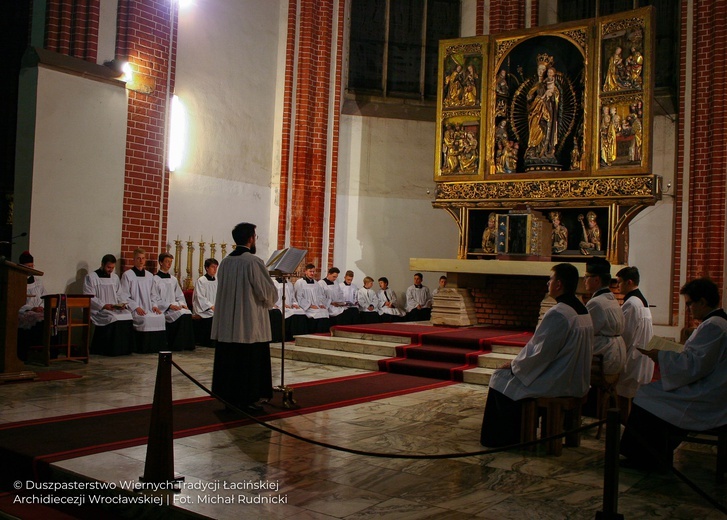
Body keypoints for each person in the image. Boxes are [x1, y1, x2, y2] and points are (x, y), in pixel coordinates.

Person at [480, 263, 593, 447]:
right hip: (577, 379)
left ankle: (505, 438)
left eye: (551, 279)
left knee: (499, 379)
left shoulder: (559, 313)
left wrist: (514, 366)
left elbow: (540, 353)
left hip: (559, 381)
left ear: (559, 284)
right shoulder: (583, 310)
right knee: (507, 377)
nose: (548, 283)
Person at [620, 278, 727, 471]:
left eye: (689, 304)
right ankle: (655, 455)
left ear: (702, 302)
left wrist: (660, 355)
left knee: (647, 396)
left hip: (708, 395)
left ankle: (647, 459)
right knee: (650, 393)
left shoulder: (714, 326)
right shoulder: (717, 323)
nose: (688, 309)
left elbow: (695, 365)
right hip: (711, 388)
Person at [211, 222, 278, 412]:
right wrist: (272, 297)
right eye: (255, 236)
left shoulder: (225, 262)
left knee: (231, 361)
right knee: (248, 362)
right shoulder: (252, 261)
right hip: (249, 324)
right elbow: (266, 292)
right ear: (250, 238)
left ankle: (229, 398)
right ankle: (248, 399)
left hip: (228, 324)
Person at [614, 266, 654, 417]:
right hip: (641, 357)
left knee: (624, 398)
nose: (618, 286)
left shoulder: (631, 303)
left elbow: (625, 334)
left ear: (629, 282)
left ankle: (623, 427)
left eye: (619, 282)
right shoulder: (642, 301)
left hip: (632, 358)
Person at [82, 254, 134, 356]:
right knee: (113, 317)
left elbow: (119, 293)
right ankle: (109, 349)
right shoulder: (91, 277)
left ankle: (123, 350)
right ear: (102, 264)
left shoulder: (114, 278)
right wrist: (103, 305)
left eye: (112, 268)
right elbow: (89, 296)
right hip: (99, 310)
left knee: (128, 315)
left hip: (114, 307)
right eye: (108, 267)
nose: (110, 270)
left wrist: (122, 304)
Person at [119, 248, 167, 353]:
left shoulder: (150, 276)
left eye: (143, 258)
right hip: (136, 309)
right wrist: (136, 307)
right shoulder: (127, 275)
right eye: (138, 258)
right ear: (134, 260)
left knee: (161, 317)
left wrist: (154, 306)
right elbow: (124, 295)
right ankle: (143, 348)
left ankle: (156, 347)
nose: (141, 261)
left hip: (149, 307)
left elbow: (153, 294)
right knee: (145, 319)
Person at [584, 258, 626, 376]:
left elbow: (587, 331)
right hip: (616, 353)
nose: (584, 280)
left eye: (587, 277)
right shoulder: (610, 298)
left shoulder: (596, 302)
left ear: (596, 280)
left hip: (605, 356)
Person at [152, 252, 195, 351]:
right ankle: (176, 345)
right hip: (165, 309)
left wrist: (182, 304)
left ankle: (186, 345)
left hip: (175, 306)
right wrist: (169, 306)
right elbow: (154, 297)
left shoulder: (173, 279)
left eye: (170, 262)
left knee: (187, 312)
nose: (169, 264)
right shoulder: (155, 279)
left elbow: (179, 295)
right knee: (181, 314)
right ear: (161, 262)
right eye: (167, 261)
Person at [525, 62, 560, 160]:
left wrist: (551, 96)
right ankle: (534, 150)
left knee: (545, 128)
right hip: (535, 111)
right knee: (535, 128)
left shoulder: (548, 84)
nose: (541, 72)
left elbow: (555, 97)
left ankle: (544, 150)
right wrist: (531, 98)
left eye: (543, 70)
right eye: (539, 69)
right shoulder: (536, 84)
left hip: (546, 110)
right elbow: (529, 98)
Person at [17, 251, 46, 361]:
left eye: (32, 266)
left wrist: (41, 307)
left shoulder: (38, 281)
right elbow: (17, 302)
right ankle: (30, 351)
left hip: (39, 309)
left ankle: (44, 351)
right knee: (36, 319)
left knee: (50, 318)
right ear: (21, 266)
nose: (31, 268)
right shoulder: (17, 281)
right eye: (28, 266)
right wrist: (32, 308)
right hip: (24, 311)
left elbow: (44, 296)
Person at [294, 263, 330, 333]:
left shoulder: (316, 283)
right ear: (305, 271)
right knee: (317, 313)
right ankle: (314, 332)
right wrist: (310, 305)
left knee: (324, 311)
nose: (312, 273)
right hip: (307, 307)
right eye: (310, 271)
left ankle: (323, 333)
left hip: (315, 306)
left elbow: (319, 295)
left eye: (313, 271)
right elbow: (299, 297)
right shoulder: (300, 282)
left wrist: (320, 304)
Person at [270, 276, 308, 342]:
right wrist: (281, 304)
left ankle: (299, 335)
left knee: (301, 311)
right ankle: (289, 336)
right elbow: (272, 296)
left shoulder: (290, 284)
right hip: (279, 306)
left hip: (289, 306)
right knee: (289, 313)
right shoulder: (274, 283)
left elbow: (293, 296)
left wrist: (294, 304)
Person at [193, 258, 218, 347]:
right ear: (207, 268)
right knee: (212, 314)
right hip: (203, 309)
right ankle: (209, 341)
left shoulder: (217, 280)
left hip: (214, 307)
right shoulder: (201, 280)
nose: (215, 269)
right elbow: (200, 297)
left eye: (216, 267)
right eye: (212, 267)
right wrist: (211, 306)